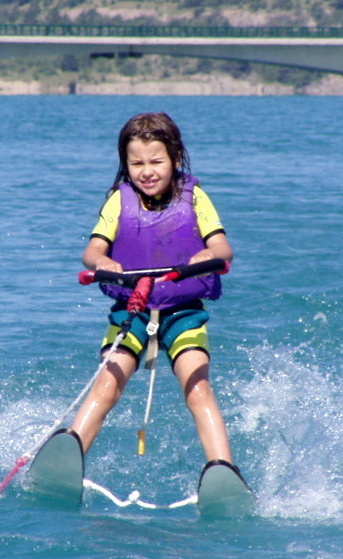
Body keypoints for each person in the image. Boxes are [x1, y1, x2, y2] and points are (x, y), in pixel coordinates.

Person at [70, 112, 238, 469]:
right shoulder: (119, 201)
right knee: (107, 385)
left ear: (175, 158)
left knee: (198, 388)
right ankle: (68, 457)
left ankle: (223, 468)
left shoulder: (196, 197)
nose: (146, 171)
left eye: (156, 161)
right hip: (132, 308)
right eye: (136, 163)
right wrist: (103, 262)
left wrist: (208, 253)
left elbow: (224, 251)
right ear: (126, 164)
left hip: (183, 311)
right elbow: (91, 252)